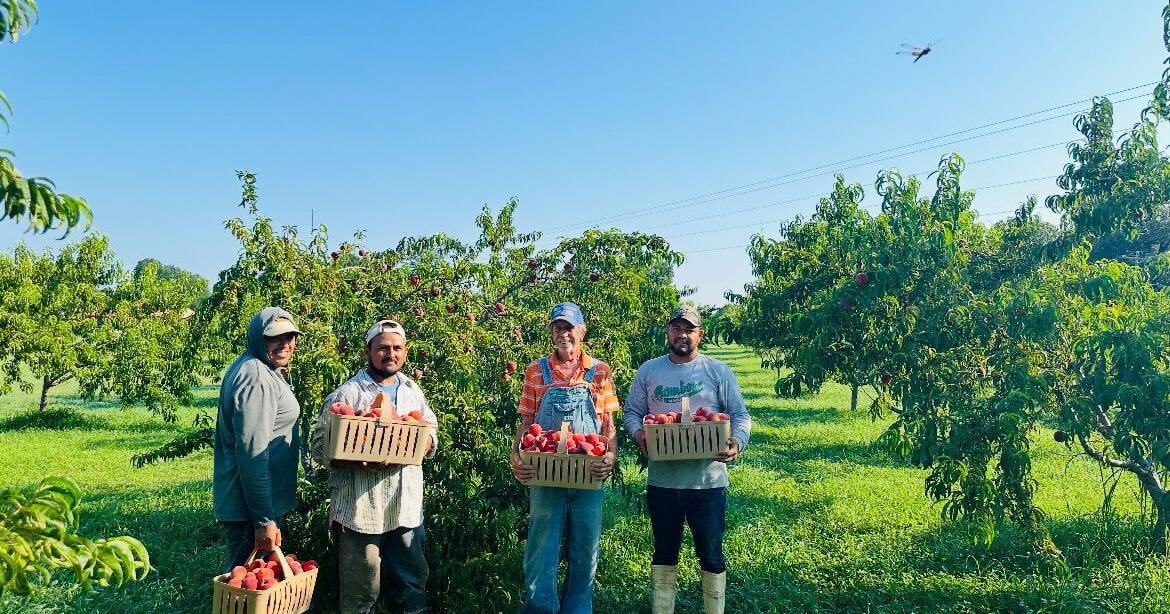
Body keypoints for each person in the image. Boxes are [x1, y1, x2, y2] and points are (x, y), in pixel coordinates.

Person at [622, 306, 752, 614]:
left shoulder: (718, 371)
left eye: (689, 329)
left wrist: (736, 442)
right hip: (663, 481)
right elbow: (631, 413)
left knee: (711, 554)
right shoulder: (649, 370)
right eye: (676, 328)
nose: (682, 335)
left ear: (700, 335)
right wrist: (640, 434)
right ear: (667, 332)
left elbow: (740, 415)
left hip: (707, 483)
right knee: (664, 552)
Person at [311, 319, 438, 614]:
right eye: (382, 348)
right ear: (368, 352)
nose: (389, 354)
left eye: (396, 348)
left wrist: (421, 442)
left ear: (405, 352)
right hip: (360, 512)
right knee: (360, 594)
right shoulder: (348, 394)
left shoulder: (411, 390)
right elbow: (319, 447)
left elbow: (431, 433)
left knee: (411, 587)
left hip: (405, 508)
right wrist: (354, 459)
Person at [509, 302, 620, 614]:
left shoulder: (599, 371)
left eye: (569, 327)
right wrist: (515, 455)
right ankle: (540, 608)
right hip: (545, 472)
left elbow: (608, 425)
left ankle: (577, 610)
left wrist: (610, 455)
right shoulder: (536, 370)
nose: (563, 333)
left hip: (588, 474)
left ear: (582, 331)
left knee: (585, 548)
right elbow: (527, 419)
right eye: (558, 327)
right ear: (551, 332)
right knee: (541, 547)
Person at [213, 307, 303, 573]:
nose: (284, 344)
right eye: (274, 337)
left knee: (253, 586)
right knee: (248, 592)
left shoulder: (259, 368)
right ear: (257, 338)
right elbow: (253, 454)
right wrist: (264, 519)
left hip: (256, 506)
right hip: (252, 510)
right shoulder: (256, 378)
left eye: (290, 337)